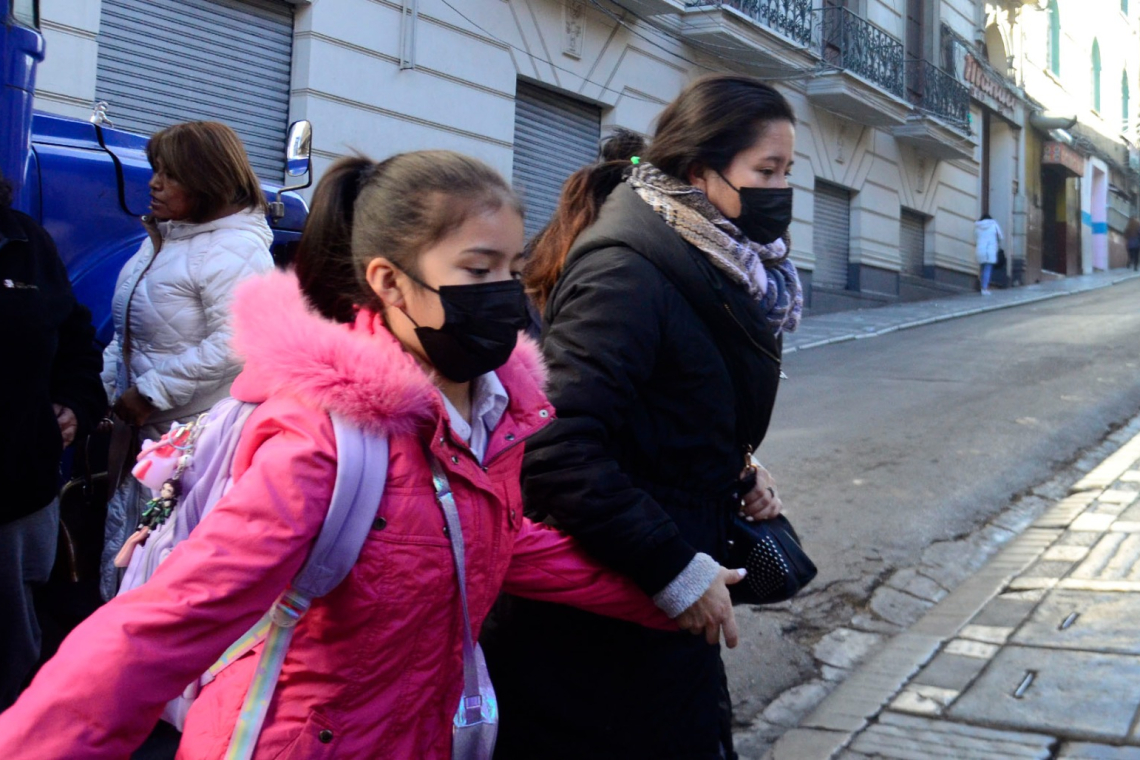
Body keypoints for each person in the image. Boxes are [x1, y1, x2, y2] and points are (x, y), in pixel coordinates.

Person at [0, 151, 681, 758]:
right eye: (479, 269)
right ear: (389, 282)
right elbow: (172, 619)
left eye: (511, 266)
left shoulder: (489, 414)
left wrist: (676, 585)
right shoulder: (327, 439)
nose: (507, 292)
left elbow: (494, 539)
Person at [482, 74, 800, 759]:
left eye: (788, 171)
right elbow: (555, 445)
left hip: (664, 598)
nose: (782, 191)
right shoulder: (630, 268)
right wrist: (674, 568)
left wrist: (734, 463)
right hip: (607, 620)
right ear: (698, 170)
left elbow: (668, 402)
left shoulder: (712, 257)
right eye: (766, 171)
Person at [99, 121, 275, 601]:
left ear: (208, 179)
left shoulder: (236, 248)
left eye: (170, 174)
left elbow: (238, 340)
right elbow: (127, 331)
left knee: (168, 577)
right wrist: (107, 392)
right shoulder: (165, 238)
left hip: (193, 447)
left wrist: (151, 392)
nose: (154, 183)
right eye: (155, 170)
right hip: (148, 437)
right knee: (133, 561)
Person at [0, 170, 106, 710]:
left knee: (12, 654)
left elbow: (76, 339)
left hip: (16, 497)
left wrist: (75, 401)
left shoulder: (24, 242)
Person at [975, 213, 1002, 294]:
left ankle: (982, 286)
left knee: (982, 269)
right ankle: (984, 288)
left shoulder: (977, 227)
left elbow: (975, 238)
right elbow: (1000, 237)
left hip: (980, 250)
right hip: (990, 250)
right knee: (987, 269)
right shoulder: (994, 225)